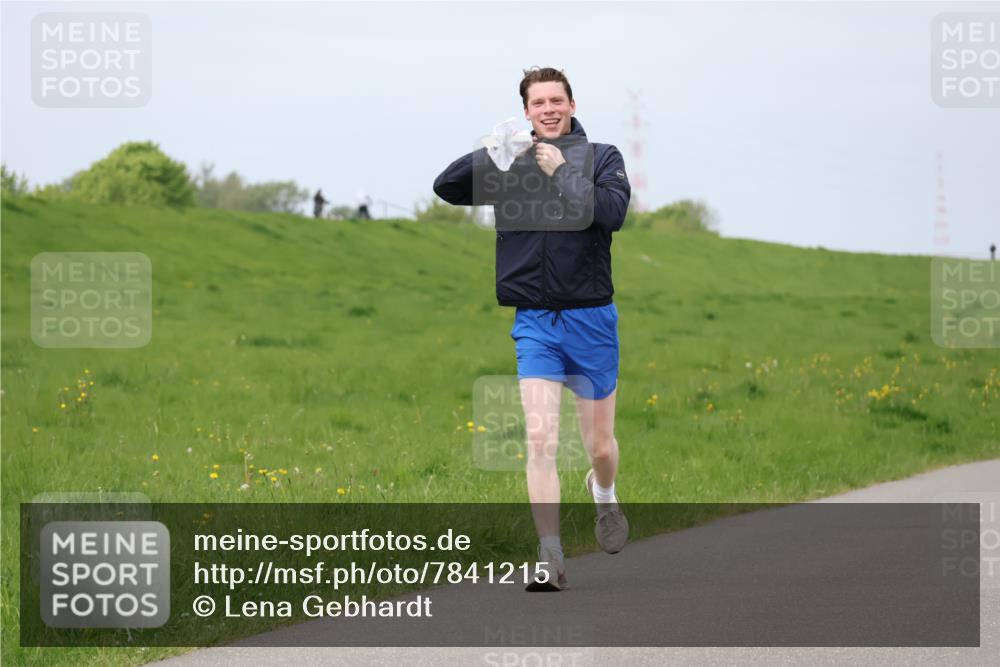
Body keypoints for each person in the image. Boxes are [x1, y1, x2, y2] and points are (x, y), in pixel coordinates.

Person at [433, 67, 631, 592]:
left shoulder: (602, 158)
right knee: (540, 439)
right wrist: (491, 152)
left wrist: (562, 170)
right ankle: (550, 556)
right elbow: (446, 187)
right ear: (526, 111)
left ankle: (604, 495)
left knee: (600, 447)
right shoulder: (512, 165)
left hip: (591, 319)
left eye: (556, 100)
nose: (548, 109)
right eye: (538, 102)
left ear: (572, 104)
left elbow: (612, 212)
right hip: (535, 322)